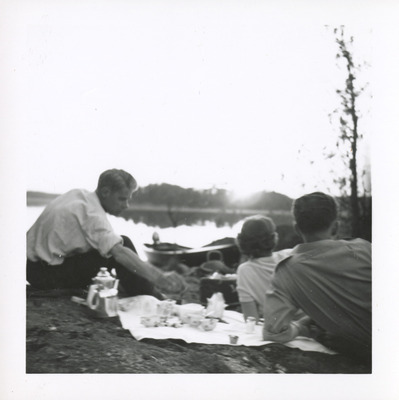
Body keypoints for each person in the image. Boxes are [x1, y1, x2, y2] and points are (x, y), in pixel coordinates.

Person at [27, 169, 186, 298]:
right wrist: (159, 277)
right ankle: (148, 295)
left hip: (30, 267)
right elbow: (119, 253)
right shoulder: (93, 216)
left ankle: (146, 290)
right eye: (122, 199)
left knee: (115, 245)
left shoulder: (80, 195)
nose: (126, 205)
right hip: (44, 276)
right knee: (123, 245)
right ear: (105, 192)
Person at [262, 192, 371, 361]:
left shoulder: (287, 271)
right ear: (336, 227)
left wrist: (300, 326)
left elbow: (273, 333)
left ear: (297, 229)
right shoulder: (365, 249)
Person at [236, 215, 291, 322]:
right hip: (307, 324)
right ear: (274, 238)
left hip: (278, 327)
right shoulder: (289, 255)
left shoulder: (244, 271)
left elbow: (251, 319)